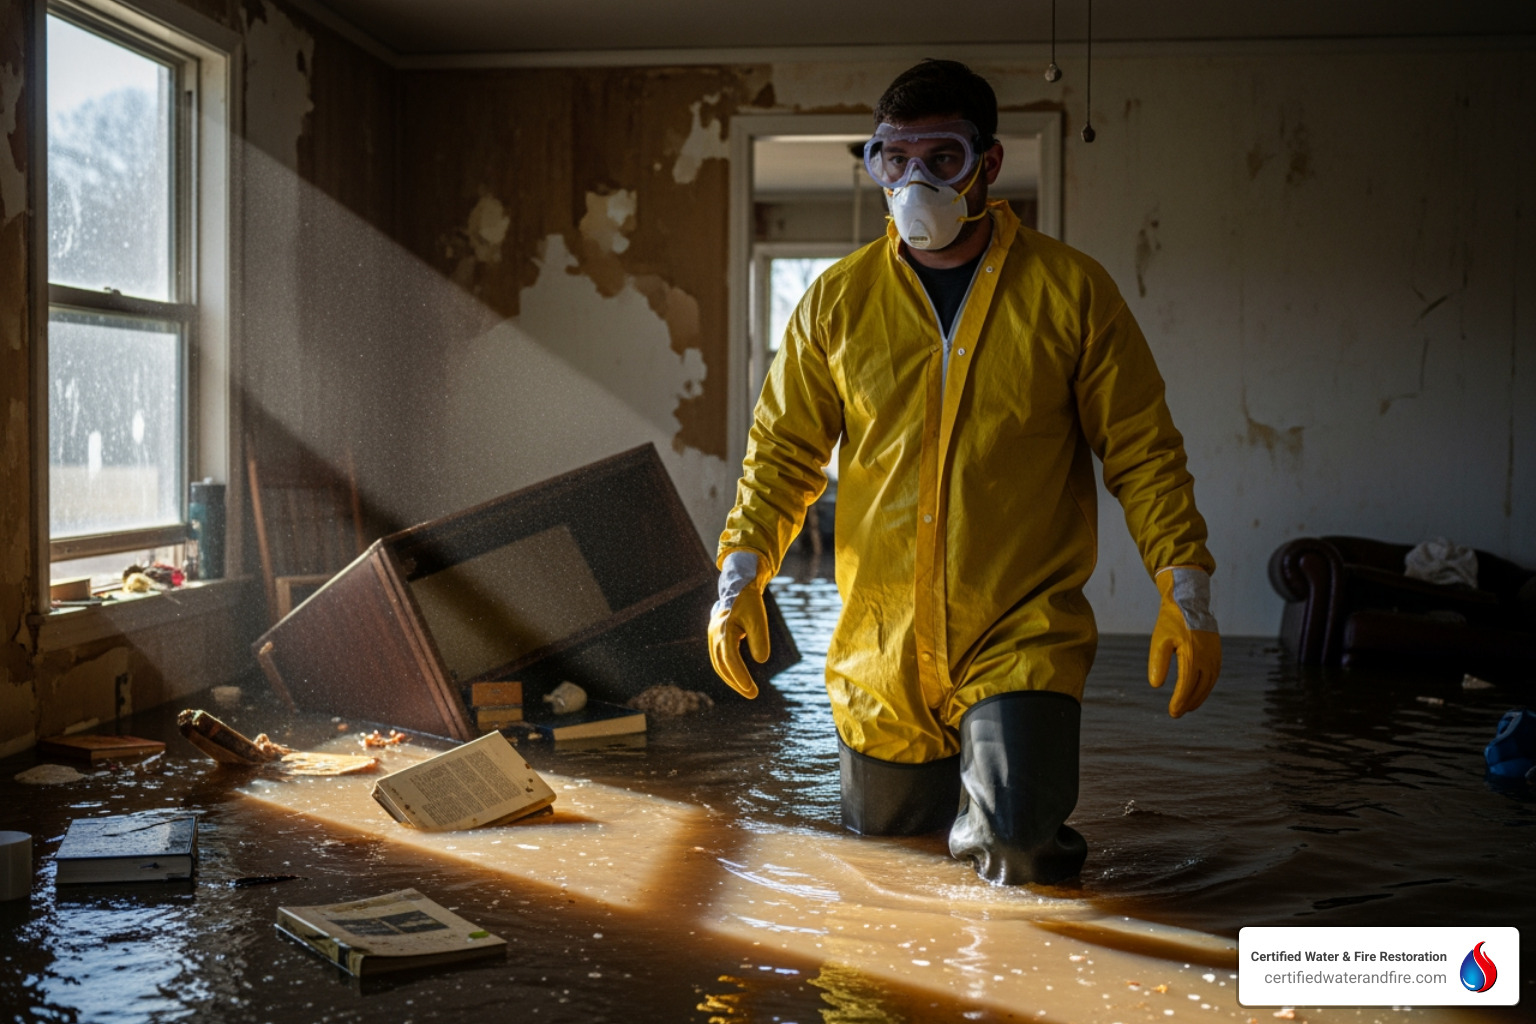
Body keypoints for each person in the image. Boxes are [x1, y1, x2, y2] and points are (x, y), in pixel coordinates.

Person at [708, 59, 1221, 885]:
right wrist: (739, 576)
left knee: (1019, 856)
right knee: (883, 876)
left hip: (1020, 629)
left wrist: (1184, 587)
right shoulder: (835, 304)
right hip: (882, 645)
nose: (914, 180)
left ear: (988, 164)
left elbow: (1142, 448)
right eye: (892, 158)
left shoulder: (1070, 292)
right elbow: (781, 456)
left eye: (940, 159)